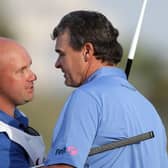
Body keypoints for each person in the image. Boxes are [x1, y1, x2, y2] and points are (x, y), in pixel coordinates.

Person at [44, 10, 168, 168]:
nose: (57, 64)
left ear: (87, 51)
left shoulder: (86, 97)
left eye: (62, 54)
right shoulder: (148, 108)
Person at [0, 37, 45, 168]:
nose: (33, 76)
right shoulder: (3, 144)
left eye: (29, 67)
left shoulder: (16, 118)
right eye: (21, 71)